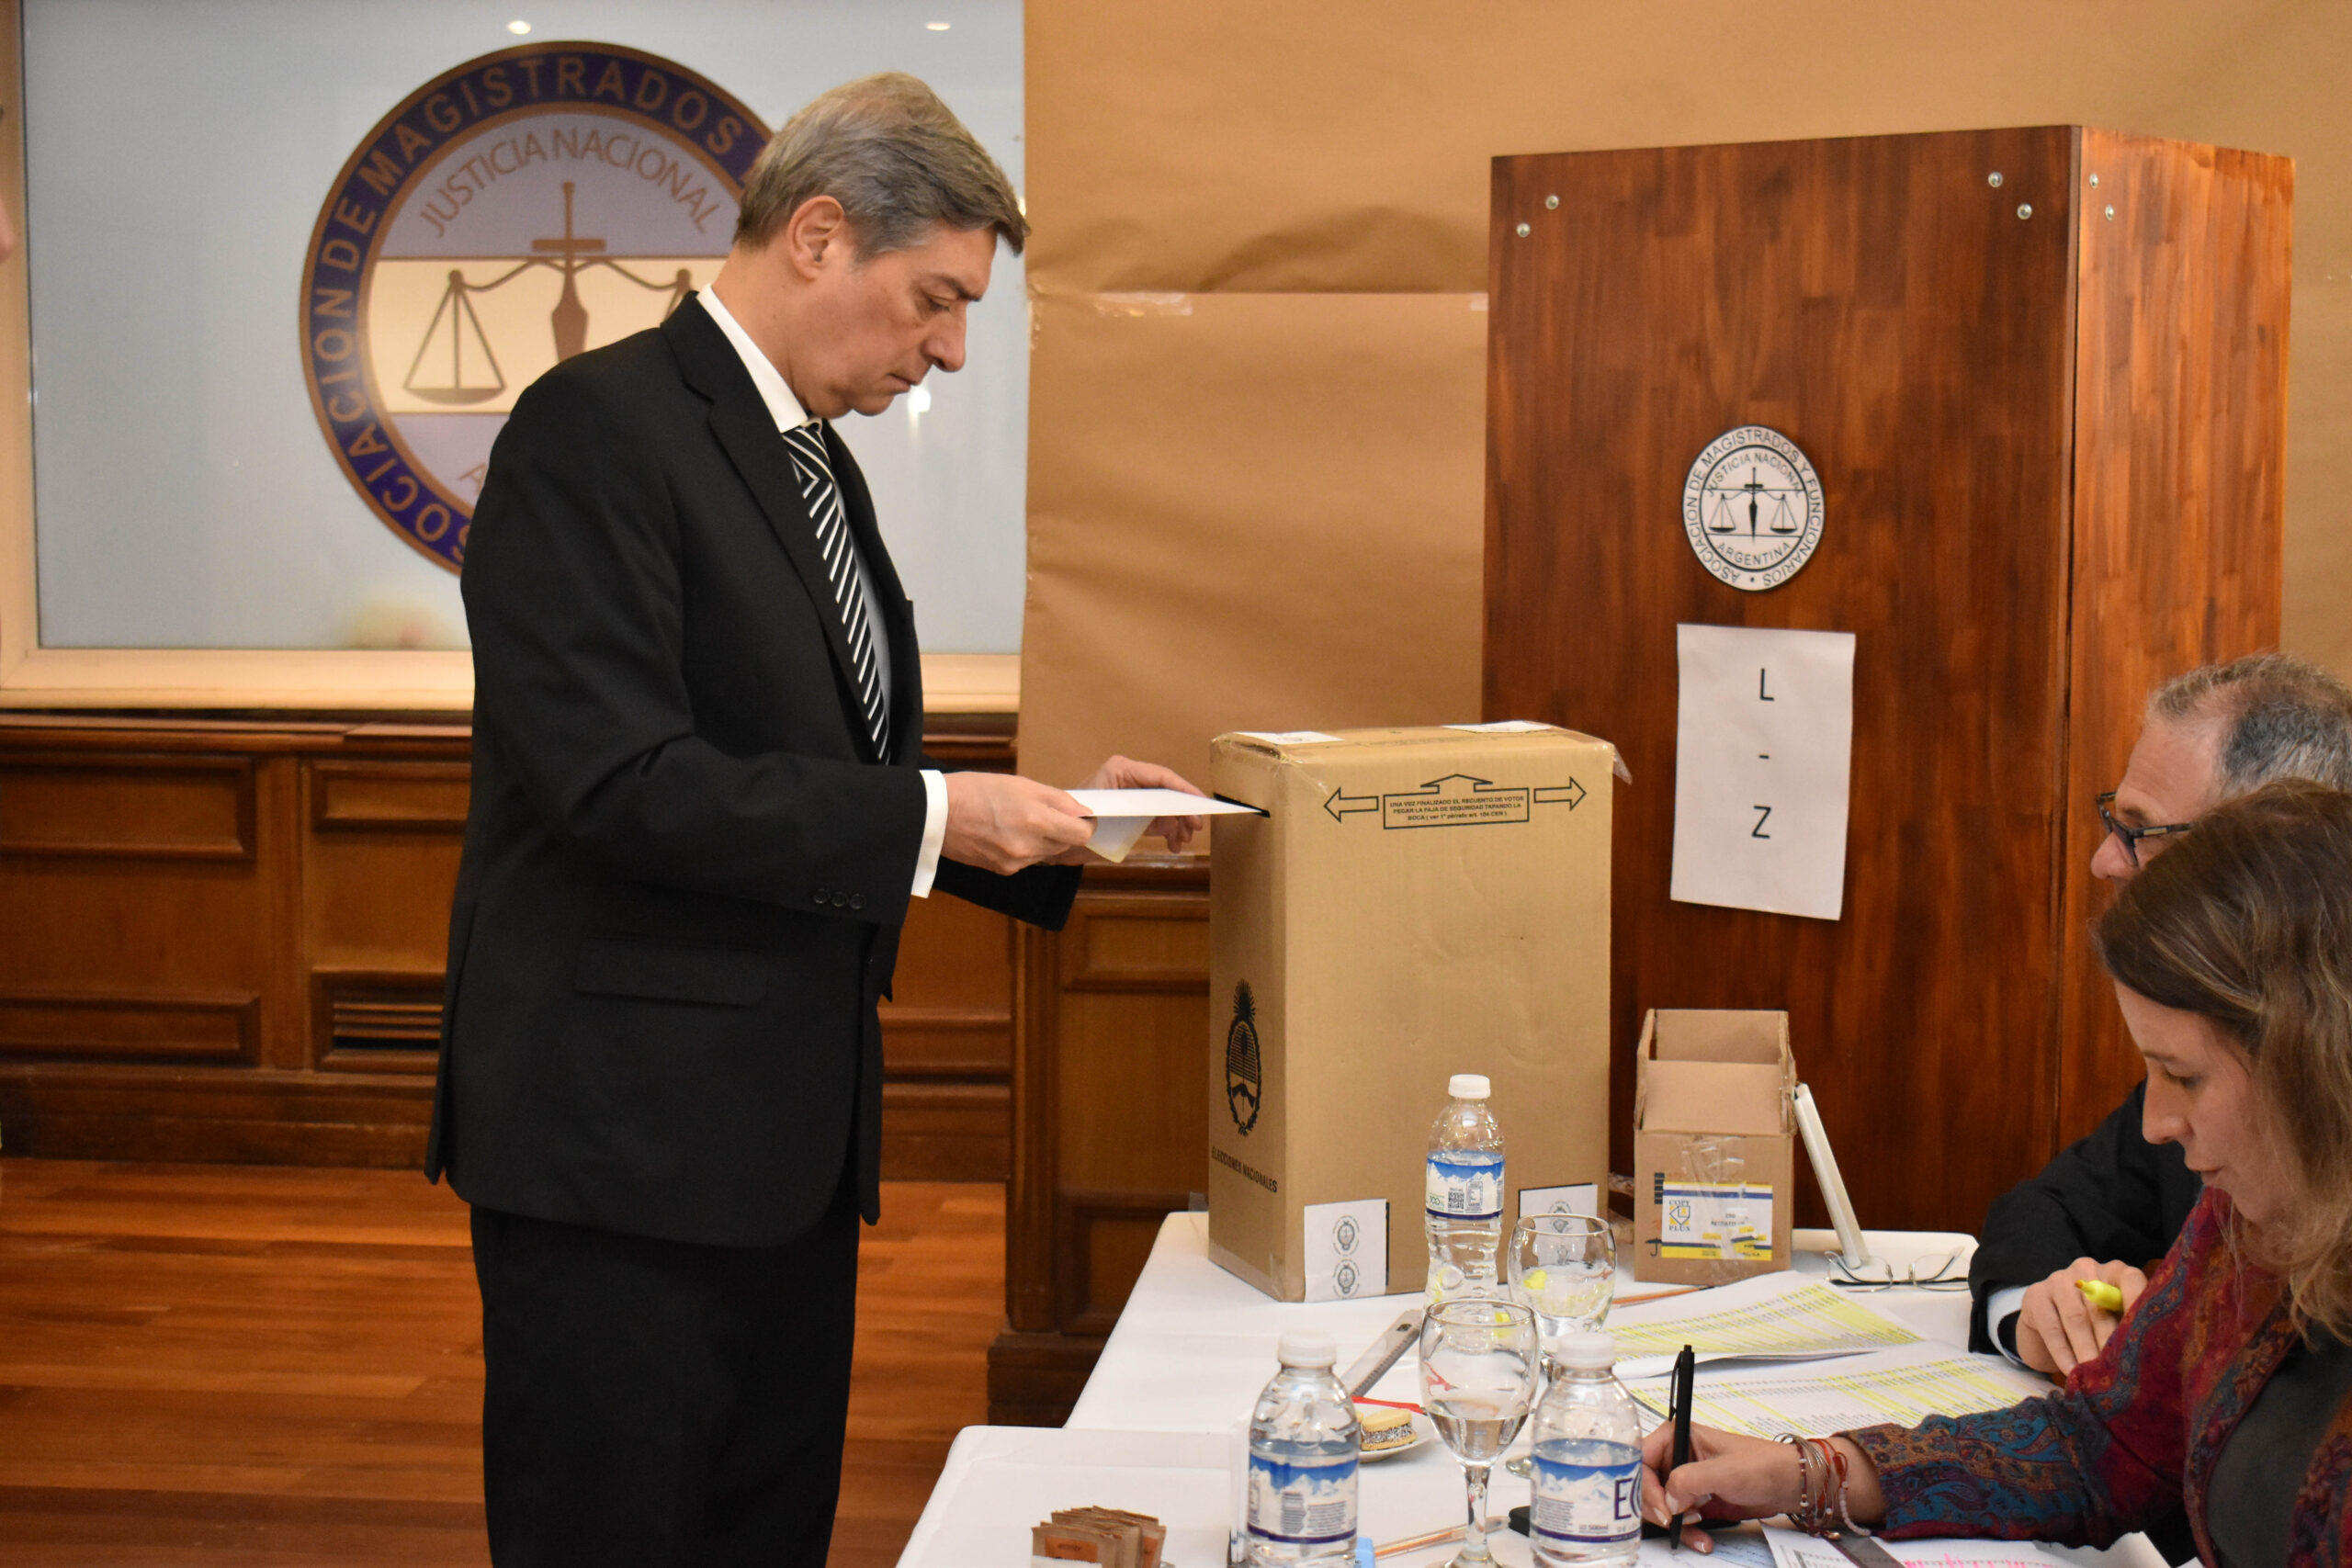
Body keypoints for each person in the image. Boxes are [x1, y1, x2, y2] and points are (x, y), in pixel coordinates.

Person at [424, 74, 1205, 1567]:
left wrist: (1064, 820)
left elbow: (826, 762)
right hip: (620, 1151)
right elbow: (618, 782)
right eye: (935, 300)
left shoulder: (812, 458)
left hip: (781, 1143)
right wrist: (940, 813)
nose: (951, 349)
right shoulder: (594, 428)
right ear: (820, 235)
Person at [1643, 780, 2352, 1566]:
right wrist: (1805, 1473)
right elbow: (2098, 1446)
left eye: (2183, 1075)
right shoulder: (2249, 1221)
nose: (2155, 1122)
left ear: (2317, 1067)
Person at [1971, 654, 2352, 1377]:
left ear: (2275, 852)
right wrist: (2039, 1313)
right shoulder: (2193, 1055)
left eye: (2142, 830)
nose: (2104, 861)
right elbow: (2047, 1208)